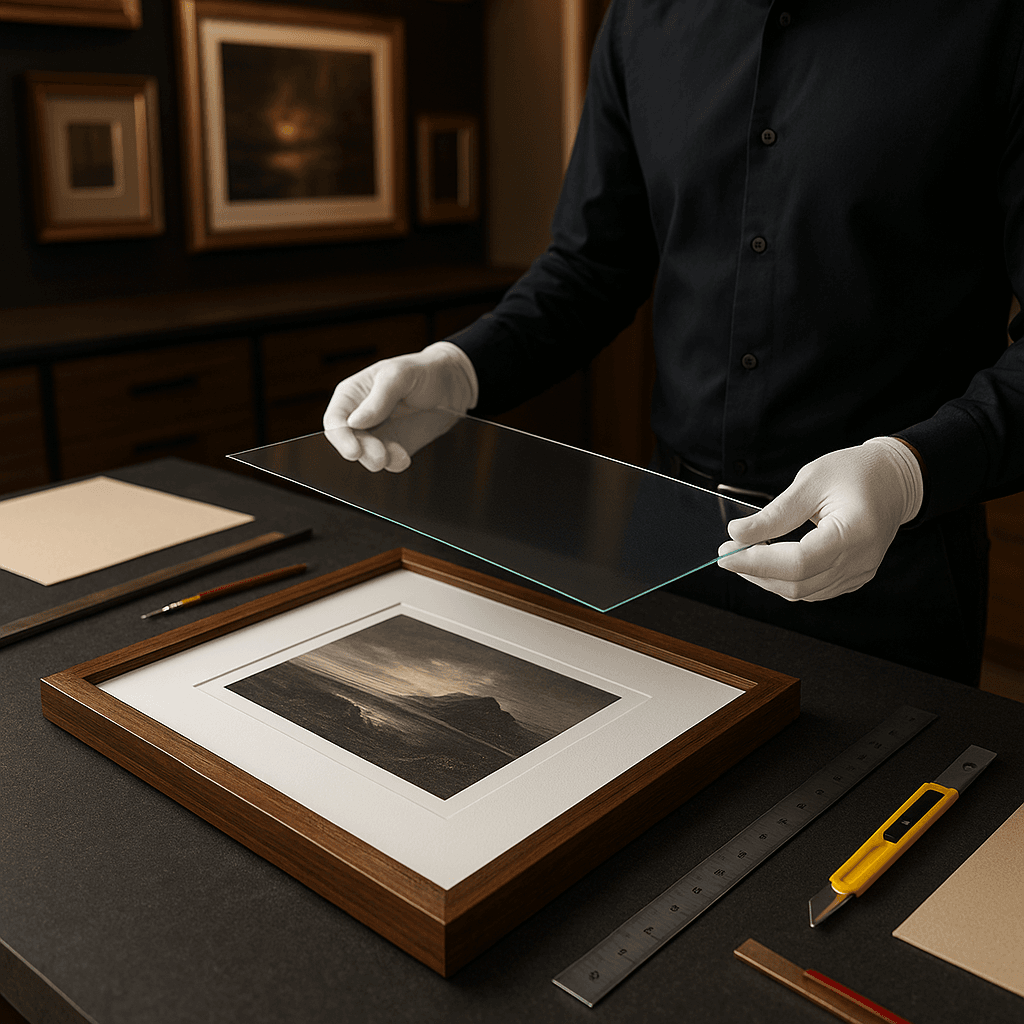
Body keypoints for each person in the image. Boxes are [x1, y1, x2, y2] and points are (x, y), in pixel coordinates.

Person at [326, 1, 1024, 686]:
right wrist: (460, 368)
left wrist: (906, 473)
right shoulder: (639, 20)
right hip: (669, 546)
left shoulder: (1001, 22)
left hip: (897, 564)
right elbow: (590, 266)